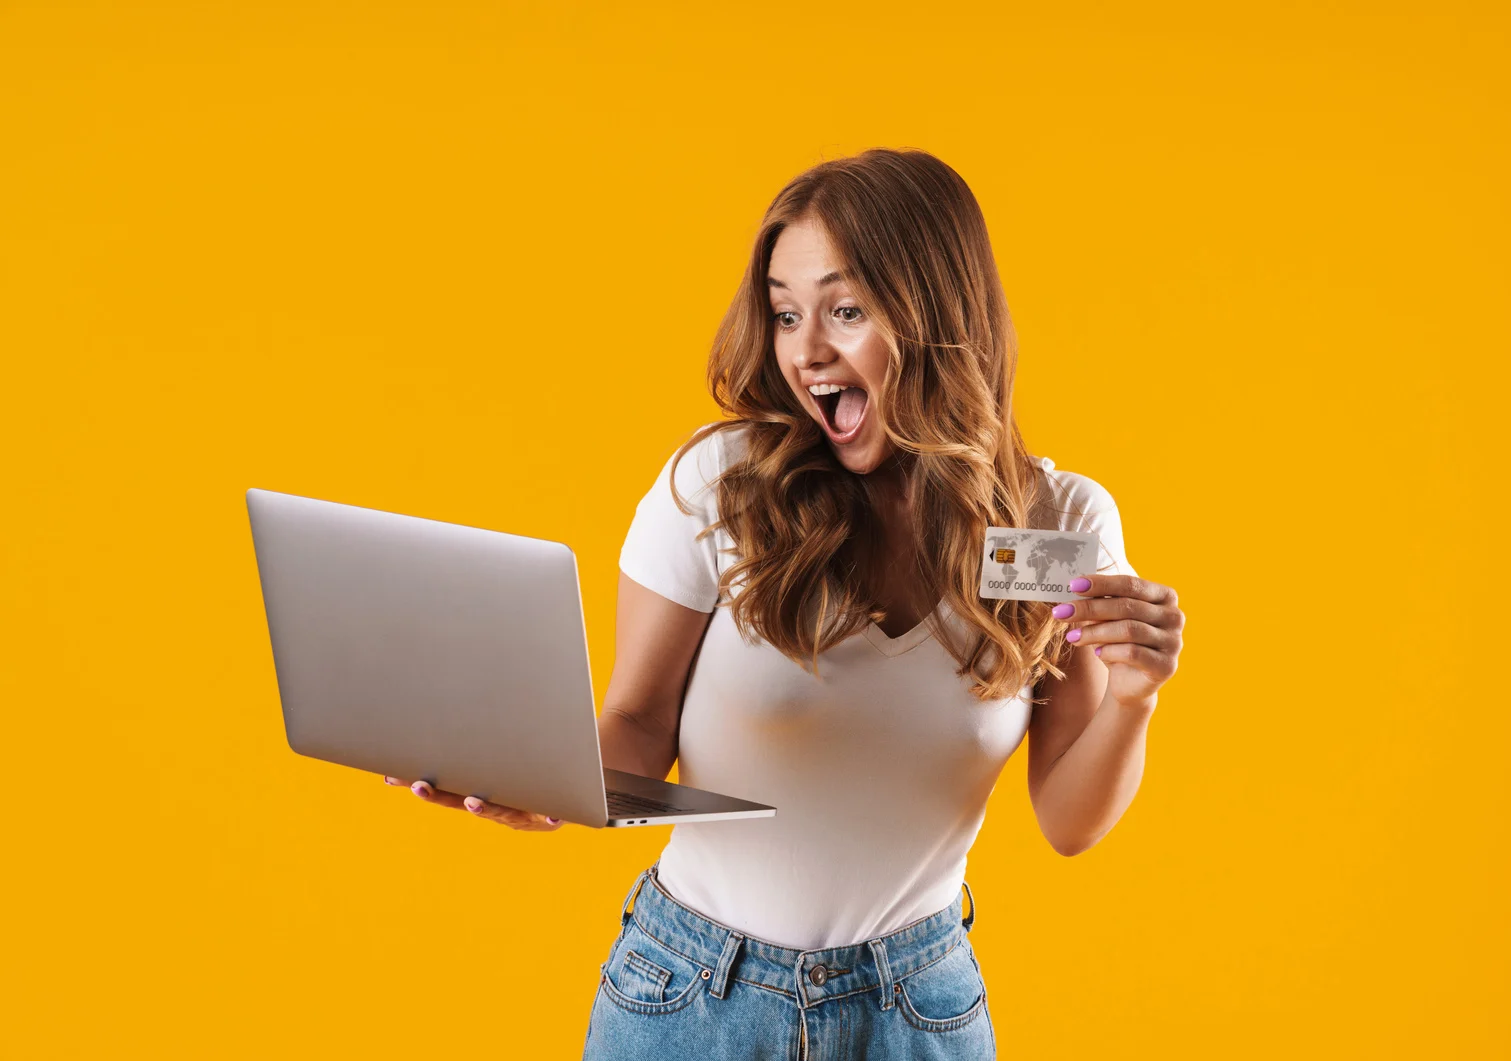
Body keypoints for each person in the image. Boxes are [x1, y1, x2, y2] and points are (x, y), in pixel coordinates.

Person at [385, 147, 1186, 1059]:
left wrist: (1133, 697)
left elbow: (1068, 822)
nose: (807, 352)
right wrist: (544, 780)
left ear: (939, 316)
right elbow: (640, 721)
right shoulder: (721, 483)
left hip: (916, 1010)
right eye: (785, 313)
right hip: (690, 995)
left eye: (845, 311)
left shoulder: (1054, 521)